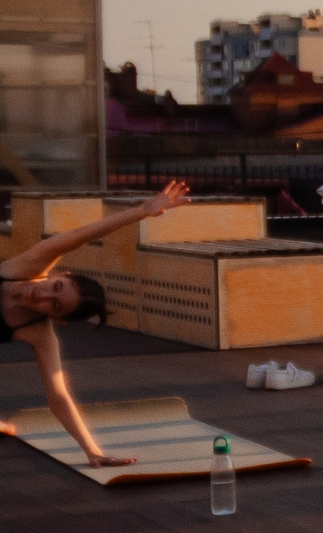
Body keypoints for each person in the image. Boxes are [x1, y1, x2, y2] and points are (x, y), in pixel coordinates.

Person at [0, 182, 187, 465]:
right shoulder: (27, 266)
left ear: (58, 319)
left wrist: (92, 451)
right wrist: (141, 211)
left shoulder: (38, 332)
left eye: (55, 304)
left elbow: (59, 396)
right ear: (62, 273)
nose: (44, 294)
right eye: (56, 286)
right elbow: (80, 235)